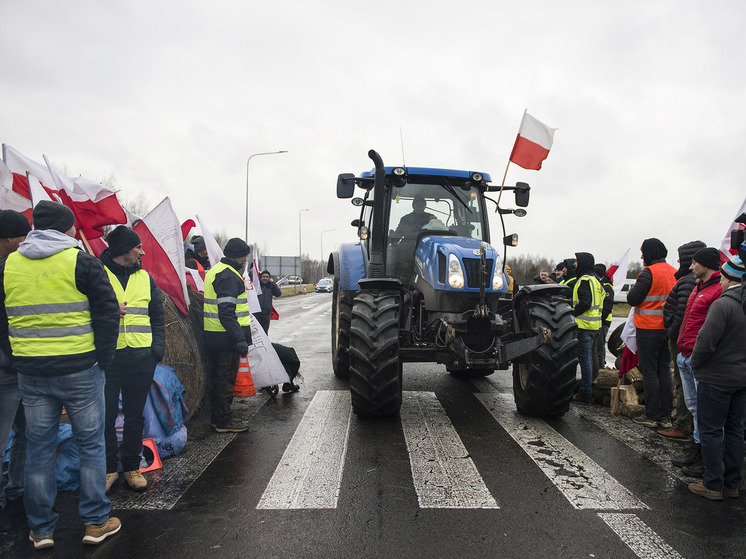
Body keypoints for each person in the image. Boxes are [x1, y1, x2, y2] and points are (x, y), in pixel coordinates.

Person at [0, 201, 121, 549]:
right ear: (67, 229)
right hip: (80, 369)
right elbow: (108, 311)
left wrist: (16, 355)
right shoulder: (81, 260)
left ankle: (41, 529)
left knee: (39, 448)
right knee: (91, 445)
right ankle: (96, 521)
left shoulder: (10, 265)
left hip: (32, 372)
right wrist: (104, 359)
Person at [100, 226, 165, 493]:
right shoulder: (98, 274)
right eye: (137, 247)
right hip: (109, 358)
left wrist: (156, 351)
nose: (142, 251)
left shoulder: (145, 277)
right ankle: (106, 469)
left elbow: (157, 316)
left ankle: (131, 466)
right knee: (105, 416)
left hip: (141, 357)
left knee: (135, 416)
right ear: (124, 250)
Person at [688, 256, 746, 500]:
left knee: (711, 431)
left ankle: (712, 484)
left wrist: (695, 364)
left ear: (728, 277)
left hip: (717, 378)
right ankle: (732, 484)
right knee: (735, 431)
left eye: (722, 276)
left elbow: (705, 342)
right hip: (742, 380)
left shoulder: (723, 305)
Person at [669, 247, 723, 477]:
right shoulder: (698, 287)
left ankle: (706, 458)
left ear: (707, 264)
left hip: (698, 357)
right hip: (685, 354)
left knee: (705, 410)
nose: (690, 267)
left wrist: (699, 354)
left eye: (694, 263)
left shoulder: (717, 291)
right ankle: (696, 448)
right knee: (694, 407)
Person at [0, 210, 30, 532]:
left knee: (28, 433)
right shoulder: (4, 270)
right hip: (7, 369)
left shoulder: (14, 267)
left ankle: (17, 490)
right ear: (7, 238)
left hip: (23, 366)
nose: (25, 243)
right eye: (22, 237)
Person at [627, 238, 677, 429]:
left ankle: (651, 415)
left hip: (648, 329)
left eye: (643, 252)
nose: (641, 257)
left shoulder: (648, 273)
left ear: (649, 253)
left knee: (649, 372)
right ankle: (665, 416)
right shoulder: (674, 272)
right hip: (668, 329)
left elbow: (633, 298)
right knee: (664, 370)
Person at [204, 238, 253, 433]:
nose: (245, 260)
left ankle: (218, 417)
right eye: (244, 256)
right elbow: (226, 312)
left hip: (214, 334)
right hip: (225, 337)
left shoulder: (215, 271)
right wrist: (239, 338)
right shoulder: (230, 276)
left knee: (218, 378)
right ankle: (222, 421)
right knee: (224, 380)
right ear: (239, 256)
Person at [658, 240, 705, 442]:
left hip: (681, 340)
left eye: (682, 257)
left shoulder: (687, 281)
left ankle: (683, 426)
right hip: (681, 338)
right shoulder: (688, 280)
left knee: (684, 383)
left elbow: (682, 314)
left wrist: (671, 331)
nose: (678, 260)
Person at [571, 252, 604, 404]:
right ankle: (587, 387)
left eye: (577, 261)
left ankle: (585, 392)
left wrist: (571, 313)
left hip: (583, 325)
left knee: (584, 359)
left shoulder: (584, 280)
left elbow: (585, 303)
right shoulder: (596, 280)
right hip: (594, 326)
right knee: (589, 358)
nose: (574, 264)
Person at [594, 263, 614, 368]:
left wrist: (600, 320)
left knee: (599, 348)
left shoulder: (607, 287)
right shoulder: (600, 285)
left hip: (603, 321)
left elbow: (607, 307)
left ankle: (601, 368)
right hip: (599, 320)